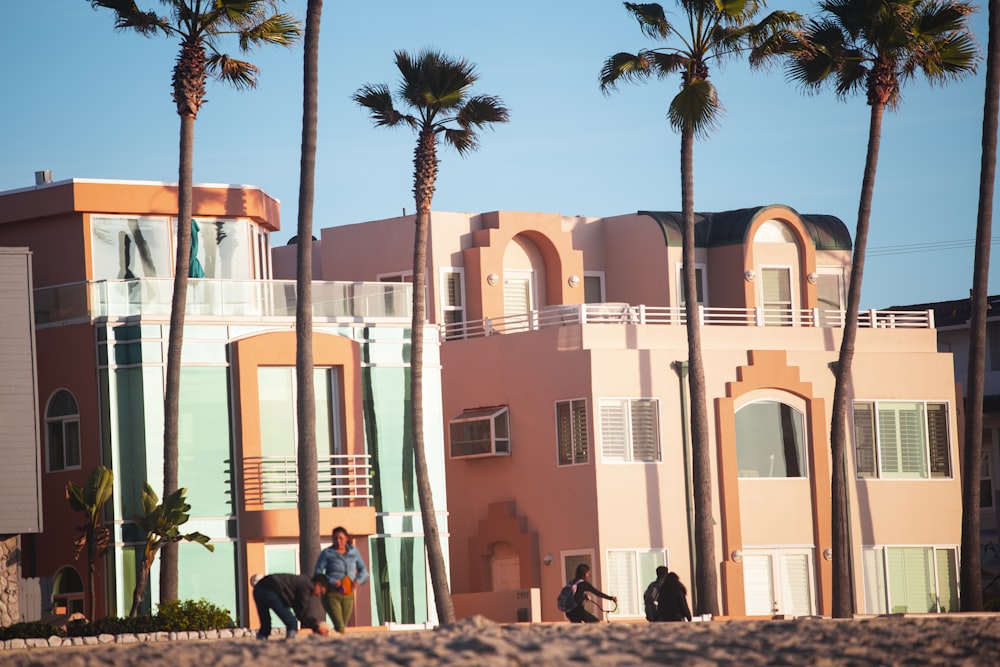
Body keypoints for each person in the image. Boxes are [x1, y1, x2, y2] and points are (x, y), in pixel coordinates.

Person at [314, 526, 370, 633]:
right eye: (335, 539)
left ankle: (331, 641)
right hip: (332, 594)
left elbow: (363, 569)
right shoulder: (327, 553)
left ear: (346, 538)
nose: (338, 541)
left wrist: (358, 580)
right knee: (339, 625)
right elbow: (317, 572)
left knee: (341, 625)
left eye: (341, 538)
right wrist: (331, 581)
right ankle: (340, 643)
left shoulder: (354, 552)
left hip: (348, 593)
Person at [251, 573, 331, 640]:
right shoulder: (306, 586)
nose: (318, 595)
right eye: (321, 592)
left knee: (265, 625)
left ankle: (261, 640)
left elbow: (299, 610)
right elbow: (301, 612)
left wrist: (313, 625)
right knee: (292, 623)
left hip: (258, 589)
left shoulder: (302, 582)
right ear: (318, 585)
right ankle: (290, 642)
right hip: (272, 589)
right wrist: (316, 627)